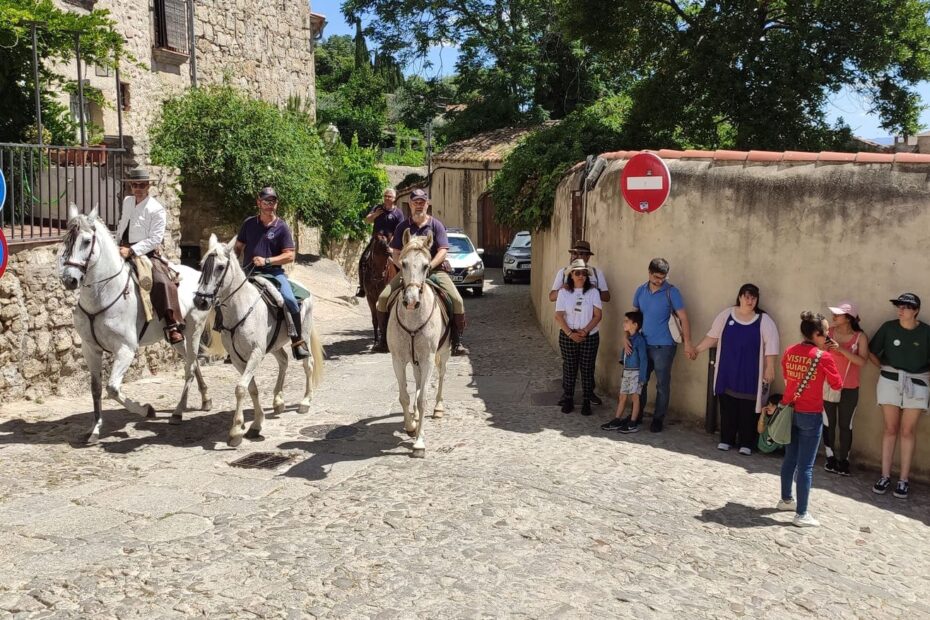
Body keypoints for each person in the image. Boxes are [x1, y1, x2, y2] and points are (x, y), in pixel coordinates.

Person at [373, 189, 469, 356]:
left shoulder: (436, 225)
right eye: (415, 202)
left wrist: (430, 266)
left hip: (433, 271)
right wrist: (403, 267)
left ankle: (456, 340)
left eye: (422, 202)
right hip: (409, 273)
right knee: (382, 299)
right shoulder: (402, 227)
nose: (419, 205)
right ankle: (383, 339)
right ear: (410, 204)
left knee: (457, 300)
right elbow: (395, 252)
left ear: (427, 204)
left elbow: (443, 251)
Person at [692, 284, 780, 455]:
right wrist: (696, 349)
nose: (750, 301)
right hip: (728, 371)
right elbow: (713, 336)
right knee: (728, 408)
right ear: (739, 297)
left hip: (751, 374)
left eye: (753, 298)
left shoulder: (764, 321)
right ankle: (726, 439)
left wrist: (770, 368)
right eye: (747, 296)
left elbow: (772, 346)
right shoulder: (726, 316)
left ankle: (746, 442)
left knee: (748, 409)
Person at [776, 311, 842, 528]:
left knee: (790, 459)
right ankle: (801, 513)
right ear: (816, 334)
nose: (828, 335)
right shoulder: (824, 357)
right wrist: (832, 354)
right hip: (810, 413)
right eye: (825, 332)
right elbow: (837, 385)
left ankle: (786, 499)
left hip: (789, 409)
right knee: (806, 466)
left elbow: (787, 377)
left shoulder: (789, 351)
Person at [234, 186, 309, 360]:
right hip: (249, 273)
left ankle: (297, 342)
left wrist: (267, 261)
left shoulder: (281, 227)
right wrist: (234, 264)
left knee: (290, 300)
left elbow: (290, 255)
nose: (270, 205)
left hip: (273, 274)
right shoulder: (249, 224)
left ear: (277, 204)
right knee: (226, 297)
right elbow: (238, 247)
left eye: (273, 201)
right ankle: (228, 341)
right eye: (266, 201)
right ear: (258, 203)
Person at [868, 293, 930, 499]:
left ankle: (903, 480)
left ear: (916, 311)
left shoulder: (926, 332)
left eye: (905, 306)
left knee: (907, 431)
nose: (900, 309)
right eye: (899, 306)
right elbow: (872, 351)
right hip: (890, 380)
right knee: (890, 428)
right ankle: (885, 475)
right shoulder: (889, 327)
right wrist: (884, 369)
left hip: (917, 382)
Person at [116, 166, 184, 344]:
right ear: (131, 185)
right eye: (134, 184)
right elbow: (123, 224)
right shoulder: (128, 201)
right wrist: (117, 244)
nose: (138, 188)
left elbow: (155, 239)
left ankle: (172, 325)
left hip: (144, 253)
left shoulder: (156, 209)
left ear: (148, 187)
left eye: (142, 185)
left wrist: (131, 250)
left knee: (161, 281)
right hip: (121, 248)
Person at [627, 258, 695, 432]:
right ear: (649, 273)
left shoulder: (672, 292)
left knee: (662, 384)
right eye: (656, 277)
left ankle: (658, 418)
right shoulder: (640, 291)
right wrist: (626, 337)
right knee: (640, 381)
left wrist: (688, 343)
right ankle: (637, 414)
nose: (660, 281)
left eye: (663, 277)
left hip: (664, 347)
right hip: (642, 344)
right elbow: (633, 317)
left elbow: (684, 318)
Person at [549, 240, 609, 405]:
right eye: (575, 253)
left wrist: (589, 290)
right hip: (569, 325)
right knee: (569, 365)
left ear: (588, 257)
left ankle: (588, 395)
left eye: (582, 254)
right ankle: (567, 394)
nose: (578, 256)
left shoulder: (596, 274)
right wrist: (566, 287)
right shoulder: (563, 273)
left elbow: (607, 297)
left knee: (588, 366)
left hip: (589, 328)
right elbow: (551, 297)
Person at [822, 301, 869, 477]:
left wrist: (840, 349)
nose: (834, 316)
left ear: (848, 318)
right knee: (828, 422)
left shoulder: (860, 337)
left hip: (849, 387)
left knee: (845, 424)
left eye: (838, 314)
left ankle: (844, 460)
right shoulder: (829, 332)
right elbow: (819, 352)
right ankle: (830, 457)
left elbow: (862, 361)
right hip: (828, 385)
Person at [554, 259, 603, 416]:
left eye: (583, 273)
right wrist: (570, 333)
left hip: (589, 335)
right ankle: (568, 398)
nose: (581, 276)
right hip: (568, 335)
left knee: (587, 369)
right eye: (577, 273)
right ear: (571, 275)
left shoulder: (593, 292)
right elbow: (559, 315)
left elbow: (597, 315)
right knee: (569, 367)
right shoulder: (563, 293)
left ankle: (586, 401)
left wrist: (586, 330)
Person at [602, 311, 648, 433]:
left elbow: (643, 359)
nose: (624, 323)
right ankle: (617, 419)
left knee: (635, 397)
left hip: (636, 373)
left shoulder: (639, 340)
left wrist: (642, 377)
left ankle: (633, 422)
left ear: (635, 325)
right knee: (622, 396)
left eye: (627, 321)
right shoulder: (628, 339)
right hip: (627, 371)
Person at [356, 188, 404, 297]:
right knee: (363, 259)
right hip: (375, 242)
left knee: (399, 263)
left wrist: (392, 243)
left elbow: (399, 231)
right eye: (385, 196)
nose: (387, 198)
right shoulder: (377, 208)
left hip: (390, 243)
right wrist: (375, 215)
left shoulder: (398, 213)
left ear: (395, 198)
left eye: (390, 196)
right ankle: (362, 288)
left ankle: (401, 285)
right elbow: (367, 220)